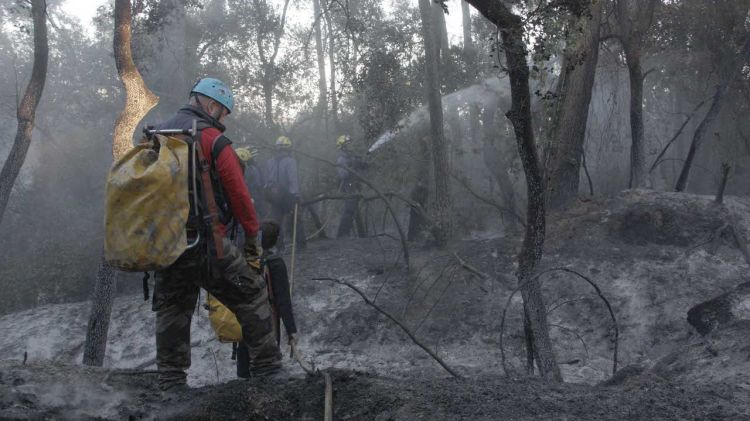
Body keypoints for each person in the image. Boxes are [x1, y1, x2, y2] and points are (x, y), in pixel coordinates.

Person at [152, 77, 281, 391]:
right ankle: (268, 372)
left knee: (173, 308)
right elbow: (239, 196)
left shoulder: (158, 135)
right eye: (223, 112)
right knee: (252, 295)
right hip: (210, 245)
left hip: (168, 244)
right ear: (211, 105)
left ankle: (171, 382)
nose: (223, 120)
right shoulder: (213, 140)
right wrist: (252, 239)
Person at [237, 220, 298, 379]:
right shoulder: (276, 263)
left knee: (244, 376)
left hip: (246, 321)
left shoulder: (245, 261)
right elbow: (283, 301)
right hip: (267, 324)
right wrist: (291, 330)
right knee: (266, 375)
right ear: (277, 239)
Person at [265, 136, 306, 249]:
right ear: (288, 148)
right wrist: (296, 195)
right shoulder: (291, 162)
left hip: (274, 196)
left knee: (276, 221)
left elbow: (268, 180)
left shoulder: (270, 162)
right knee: (295, 219)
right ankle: (301, 244)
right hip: (288, 196)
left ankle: (279, 246)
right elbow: (293, 179)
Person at [335, 135, 366, 238]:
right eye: (348, 144)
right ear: (343, 147)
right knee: (349, 209)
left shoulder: (352, 156)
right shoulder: (341, 159)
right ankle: (342, 234)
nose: (351, 146)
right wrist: (352, 164)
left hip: (355, 185)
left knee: (355, 209)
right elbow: (343, 175)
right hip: (348, 186)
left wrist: (362, 163)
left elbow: (362, 167)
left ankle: (362, 234)